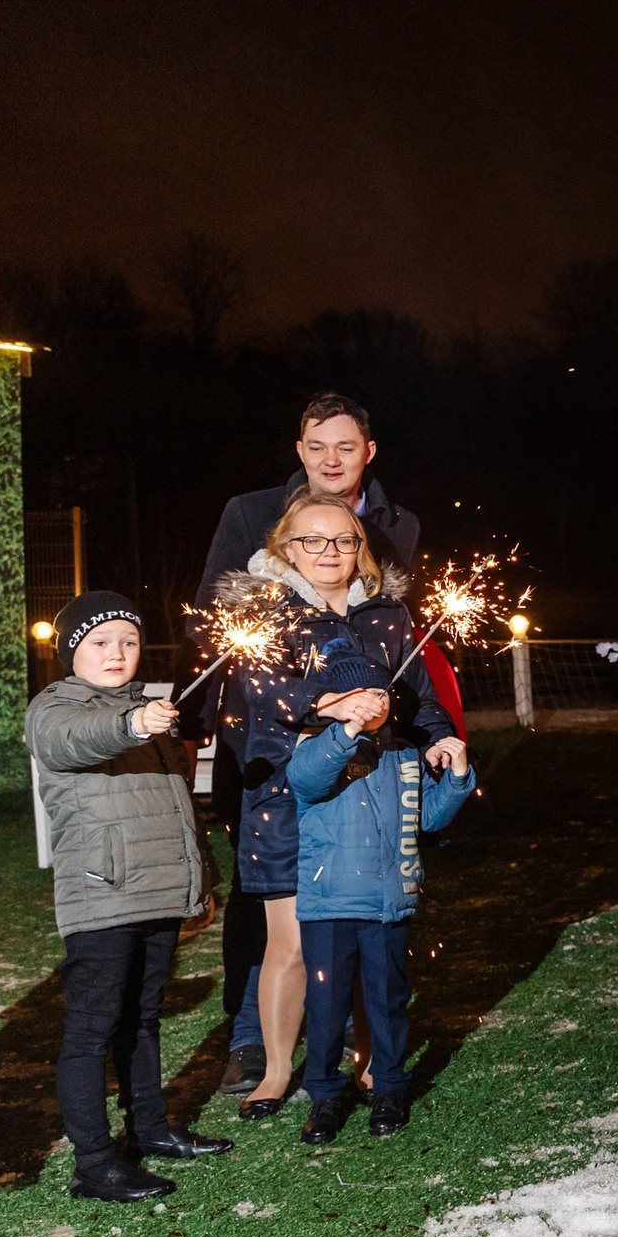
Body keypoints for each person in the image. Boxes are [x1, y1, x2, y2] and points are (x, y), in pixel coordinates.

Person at [199, 393, 428, 1099]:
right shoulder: (252, 514)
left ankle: (360, 1050)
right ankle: (255, 1044)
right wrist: (305, 702)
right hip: (270, 751)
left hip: (362, 768)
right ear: (299, 449)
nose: (332, 459)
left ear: (369, 450)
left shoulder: (397, 530)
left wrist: (424, 728)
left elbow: (399, 645)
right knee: (270, 905)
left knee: (353, 916)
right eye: (317, 446)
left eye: (346, 446)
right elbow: (222, 631)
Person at [226, 493, 463, 1121]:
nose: (330, 552)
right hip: (286, 793)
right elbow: (261, 687)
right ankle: (278, 1070)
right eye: (313, 541)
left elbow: (414, 688)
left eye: (343, 541)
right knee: (294, 945)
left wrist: (439, 733)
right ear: (284, 549)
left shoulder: (387, 616)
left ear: (360, 549)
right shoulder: (264, 613)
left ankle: (366, 1063)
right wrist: (321, 706)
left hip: (369, 795)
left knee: (362, 936)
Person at [28, 592, 235, 1202]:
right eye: (99, 642)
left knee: (142, 1020)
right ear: (71, 652)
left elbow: (176, 804)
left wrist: (199, 882)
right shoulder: (56, 708)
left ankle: (149, 1130)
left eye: (128, 641)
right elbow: (73, 743)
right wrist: (130, 723)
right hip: (102, 894)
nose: (116, 653)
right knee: (92, 1029)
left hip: (158, 891)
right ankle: (94, 1161)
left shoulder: (154, 708)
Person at [284, 638, 478, 1144]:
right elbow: (307, 781)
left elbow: (425, 818)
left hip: (390, 901)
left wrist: (456, 777)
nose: (375, 700)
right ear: (336, 701)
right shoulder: (316, 745)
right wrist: (346, 729)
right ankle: (324, 1096)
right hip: (330, 905)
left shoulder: (404, 755)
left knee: (388, 999)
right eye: (361, 693)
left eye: (382, 691)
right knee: (326, 1003)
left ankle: (388, 1087)